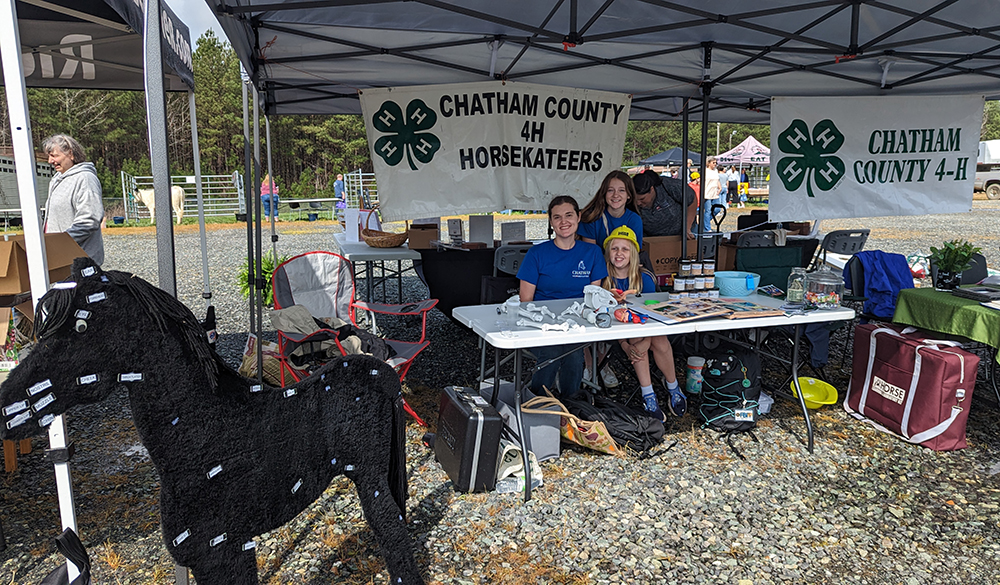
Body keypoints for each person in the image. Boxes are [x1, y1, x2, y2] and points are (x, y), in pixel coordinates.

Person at [517, 196, 608, 399]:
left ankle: (570, 405)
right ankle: (537, 403)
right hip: (541, 325)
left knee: (573, 353)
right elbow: (526, 300)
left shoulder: (592, 253)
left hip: (578, 324)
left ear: (578, 217)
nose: (563, 222)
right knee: (552, 351)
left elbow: (593, 299)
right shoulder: (537, 253)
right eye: (557, 217)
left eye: (568, 215)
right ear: (551, 222)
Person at [601, 226, 685, 420]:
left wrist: (645, 342)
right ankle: (649, 394)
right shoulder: (603, 279)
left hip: (647, 330)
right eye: (614, 249)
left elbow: (654, 315)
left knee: (657, 339)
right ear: (608, 252)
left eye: (625, 249)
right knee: (638, 336)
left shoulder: (644, 278)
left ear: (634, 254)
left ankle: (671, 387)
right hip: (616, 333)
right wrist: (625, 344)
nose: (619, 253)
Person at [42, 134, 104, 265]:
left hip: (80, 263)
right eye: (49, 156)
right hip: (61, 259)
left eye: (54, 156)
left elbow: (89, 219)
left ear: (70, 154)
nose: (50, 161)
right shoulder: (56, 180)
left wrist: (61, 242)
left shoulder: (85, 178)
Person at [577, 170, 643, 251]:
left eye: (621, 190)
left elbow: (634, 254)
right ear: (604, 193)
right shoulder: (591, 217)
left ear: (629, 194)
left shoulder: (634, 220)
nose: (615, 195)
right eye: (610, 190)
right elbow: (590, 253)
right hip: (597, 262)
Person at [632, 169, 697, 239]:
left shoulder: (670, 185)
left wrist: (687, 228)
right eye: (635, 200)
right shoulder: (629, 201)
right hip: (653, 239)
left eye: (642, 199)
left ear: (652, 189)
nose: (638, 203)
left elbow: (692, 200)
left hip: (683, 234)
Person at [702, 156, 722, 230]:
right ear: (709, 163)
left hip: (715, 193)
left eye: (716, 163)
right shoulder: (705, 171)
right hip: (707, 193)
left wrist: (720, 187)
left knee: (717, 209)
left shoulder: (715, 171)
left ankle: (704, 221)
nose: (715, 164)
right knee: (707, 211)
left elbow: (717, 179)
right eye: (713, 163)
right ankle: (707, 228)